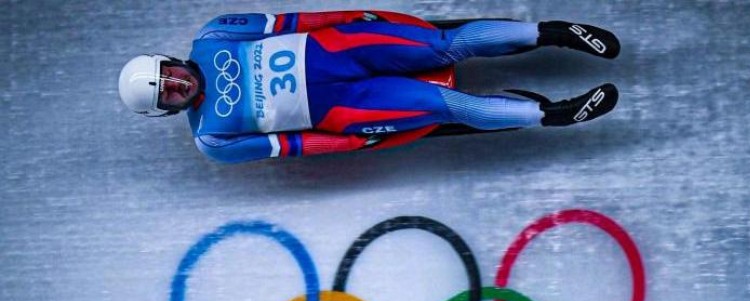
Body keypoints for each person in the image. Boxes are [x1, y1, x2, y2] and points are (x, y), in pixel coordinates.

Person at [118, 10, 621, 163]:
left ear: (170, 61)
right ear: (166, 109)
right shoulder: (213, 139)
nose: (176, 85)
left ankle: (552, 34)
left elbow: (294, 20)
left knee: (444, 45)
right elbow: (291, 145)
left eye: (168, 76)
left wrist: (353, 16)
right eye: (167, 94)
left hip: (342, 46)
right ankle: (551, 115)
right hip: (345, 108)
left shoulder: (214, 34)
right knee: (447, 106)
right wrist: (353, 141)